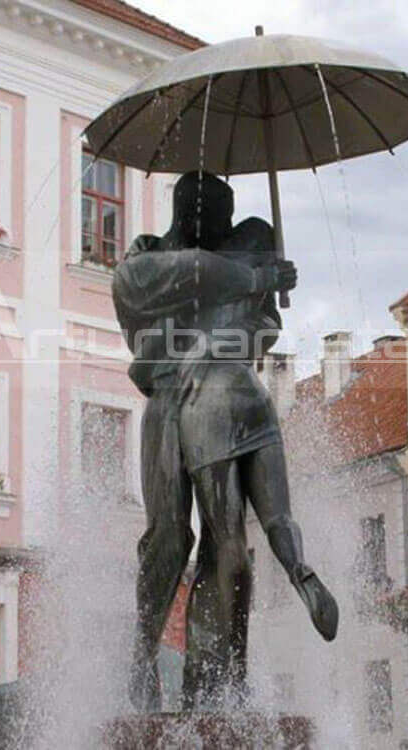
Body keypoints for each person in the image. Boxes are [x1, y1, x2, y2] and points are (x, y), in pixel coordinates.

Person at [112, 172, 339, 710]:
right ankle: (140, 657)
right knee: (169, 539)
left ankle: (212, 681)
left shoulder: (239, 256)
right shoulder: (147, 256)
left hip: (219, 398)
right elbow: (163, 280)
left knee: (227, 545)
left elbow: (260, 331)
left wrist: (255, 303)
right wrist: (251, 277)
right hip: (167, 403)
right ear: (189, 211)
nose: (223, 223)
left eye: (228, 212)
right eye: (215, 211)